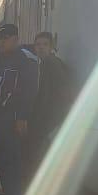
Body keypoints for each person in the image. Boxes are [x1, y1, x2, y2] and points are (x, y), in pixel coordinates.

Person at [0, 23, 39, 195]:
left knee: (11, 159)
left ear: (15, 39)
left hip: (14, 117)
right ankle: (7, 192)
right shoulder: (4, 58)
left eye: (5, 39)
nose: (0, 42)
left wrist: (22, 117)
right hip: (1, 116)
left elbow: (29, 92)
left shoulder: (26, 60)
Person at [28, 31, 72, 177]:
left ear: (51, 47)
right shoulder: (47, 63)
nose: (41, 48)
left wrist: (48, 123)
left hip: (48, 122)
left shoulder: (51, 64)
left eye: (45, 44)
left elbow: (59, 95)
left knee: (40, 159)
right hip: (47, 121)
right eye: (38, 45)